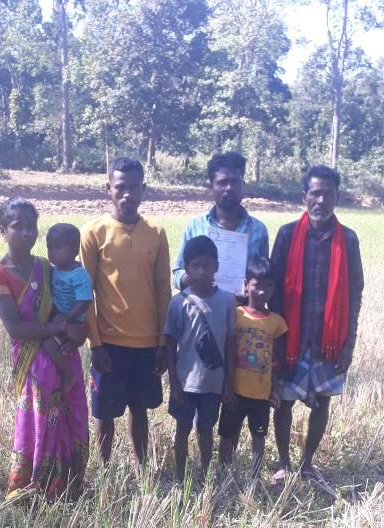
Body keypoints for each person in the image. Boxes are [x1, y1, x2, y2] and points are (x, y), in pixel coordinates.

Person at [0, 198, 89, 501]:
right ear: (3, 231)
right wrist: (58, 328)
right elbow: (16, 328)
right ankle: (33, 488)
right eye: (17, 226)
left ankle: (69, 487)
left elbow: (63, 304)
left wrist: (77, 331)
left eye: (31, 226)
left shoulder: (46, 266)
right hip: (33, 363)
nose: (26, 232)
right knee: (39, 420)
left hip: (63, 354)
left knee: (70, 417)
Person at [269, 164, 364, 483]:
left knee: (322, 402)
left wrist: (349, 343)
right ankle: (283, 462)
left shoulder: (348, 239)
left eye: (328, 194)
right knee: (283, 403)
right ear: (304, 196)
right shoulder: (286, 235)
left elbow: (355, 292)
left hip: (328, 340)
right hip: (291, 338)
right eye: (315, 193)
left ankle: (307, 464)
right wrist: (277, 340)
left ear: (337, 197)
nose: (321, 200)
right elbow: (274, 290)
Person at [79, 157, 171, 466]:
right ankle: (105, 469)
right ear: (108, 188)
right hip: (109, 343)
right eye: (120, 188)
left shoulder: (156, 232)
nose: (127, 194)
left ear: (143, 189)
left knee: (140, 410)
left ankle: (142, 468)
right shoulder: (94, 232)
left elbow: (163, 289)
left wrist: (162, 343)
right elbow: (85, 293)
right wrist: (95, 343)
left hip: (147, 343)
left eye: (134, 187)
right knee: (104, 414)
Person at [165, 235, 236, 482]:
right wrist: (173, 382)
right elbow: (169, 343)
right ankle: (180, 475)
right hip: (185, 382)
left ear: (216, 266)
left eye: (207, 265)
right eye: (195, 266)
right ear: (186, 269)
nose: (202, 271)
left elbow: (231, 343)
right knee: (182, 428)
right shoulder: (178, 303)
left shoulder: (227, 301)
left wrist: (228, 383)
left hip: (214, 383)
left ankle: (205, 474)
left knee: (206, 429)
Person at [218, 257, 287, 479]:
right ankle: (223, 473)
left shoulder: (276, 322)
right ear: (246, 285)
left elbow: (277, 360)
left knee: (258, 436)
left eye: (269, 286)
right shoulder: (236, 314)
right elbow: (227, 353)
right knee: (227, 434)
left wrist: (275, 389)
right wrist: (226, 387)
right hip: (235, 391)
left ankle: (254, 478)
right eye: (257, 285)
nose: (262, 291)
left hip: (261, 394)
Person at [172, 152, 269, 292]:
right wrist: (195, 275)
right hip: (203, 304)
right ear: (211, 186)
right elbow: (177, 273)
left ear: (243, 185)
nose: (229, 188)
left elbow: (264, 275)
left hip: (242, 305)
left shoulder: (259, 230)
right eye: (222, 183)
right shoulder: (195, 227)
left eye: (235, 182)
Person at [45, 222, 93, 402]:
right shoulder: (54, 270)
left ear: (74, 250)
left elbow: (85, 301)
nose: (52, 252)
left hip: (74, 320)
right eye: (49, 247)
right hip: (59, 318)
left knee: (49, 343)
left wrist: (68, 318)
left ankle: (68, 374)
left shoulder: (79, 275)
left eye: (58, 248)